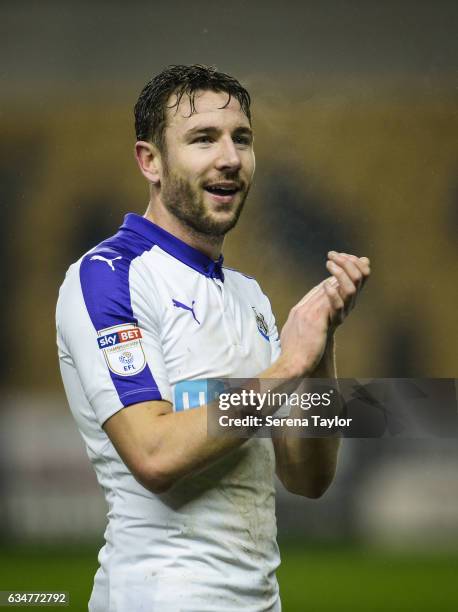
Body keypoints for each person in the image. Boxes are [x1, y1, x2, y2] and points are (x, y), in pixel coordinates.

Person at [56, 64, 370, 612]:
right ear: (150, 161)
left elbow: (307, 475)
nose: (230, 158)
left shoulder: (247, 296)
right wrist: (283, 369)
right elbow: (153, 454)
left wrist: (319, 355)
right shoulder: (111, 275)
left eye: (241, 139)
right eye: (203, 139)